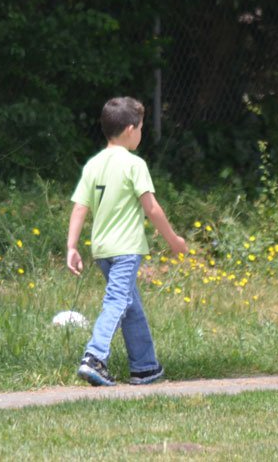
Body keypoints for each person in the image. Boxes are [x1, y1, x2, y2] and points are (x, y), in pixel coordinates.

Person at [66, 96, 188, 386]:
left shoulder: (94, 165)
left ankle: (145, 367)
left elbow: (80, 207)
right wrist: (174, 240)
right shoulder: (135, 165)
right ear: (131, 129)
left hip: (102, 251)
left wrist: (71, 246)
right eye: (142, 128)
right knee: (118, 301)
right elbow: (151, 208)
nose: (141, 133)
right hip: (126, 250)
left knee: (130, 304)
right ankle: (94, 357)